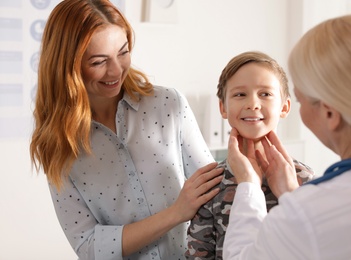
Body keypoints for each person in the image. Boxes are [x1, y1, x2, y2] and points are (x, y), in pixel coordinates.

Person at [29, 0, 224, 259]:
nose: (116, 70)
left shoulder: (168, 104)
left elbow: (215, 194)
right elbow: (88, 245)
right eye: (98, 61)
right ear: (67, 66)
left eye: (123, 52)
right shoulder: (57, 144)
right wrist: (176, 213)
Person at [223, 13, 351, 259]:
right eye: (240, 95)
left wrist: (249, 185)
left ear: (330, 113)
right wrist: (292, 194)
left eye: (299, 100)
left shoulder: (309, 211)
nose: (253, 105)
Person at [186, 51, 314, 259]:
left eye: (265, 94)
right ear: (223, 107)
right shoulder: (210, 183)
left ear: (285, 106)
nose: (252, 104)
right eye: (240, 94)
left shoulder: (304, 179)